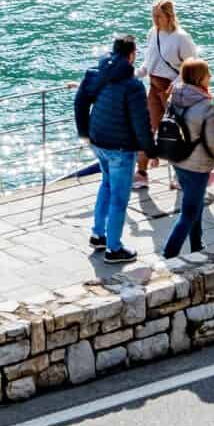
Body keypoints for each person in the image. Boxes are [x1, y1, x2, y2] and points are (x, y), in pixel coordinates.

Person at [72, 35, 151, 264]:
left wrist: (84, 133)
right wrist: (150, 149)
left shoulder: (98, 73)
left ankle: (99, 235)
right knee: (119, 197)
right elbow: (141, 122)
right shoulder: (133, 85)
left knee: (106, 184)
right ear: (132, 55)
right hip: (121, 147)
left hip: (98, 140)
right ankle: (113, 249)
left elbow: (80, 102)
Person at [157, 59, 214, 260]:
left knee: (195, 204)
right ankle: (169, 254)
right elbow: (213, 143)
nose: (210, 77)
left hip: (178, 157)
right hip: (198, 164)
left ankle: (197, 244)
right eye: (207, 74)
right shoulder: (206, 106)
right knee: (189, 212)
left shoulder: (174, 96)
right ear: (200, 78)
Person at [134, 0, 197, 187]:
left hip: (173, 90)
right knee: (148, 128)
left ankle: (182, 174)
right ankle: (142, 172)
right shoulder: (153, 33)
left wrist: (176, 83)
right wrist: (136, 73)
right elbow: (148, 63)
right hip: (154, 87)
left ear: (169, 16)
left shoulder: (181, 38)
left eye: (158, 15)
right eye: (153, 15)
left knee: (177, 132)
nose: (154, 19)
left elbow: (191, 65)